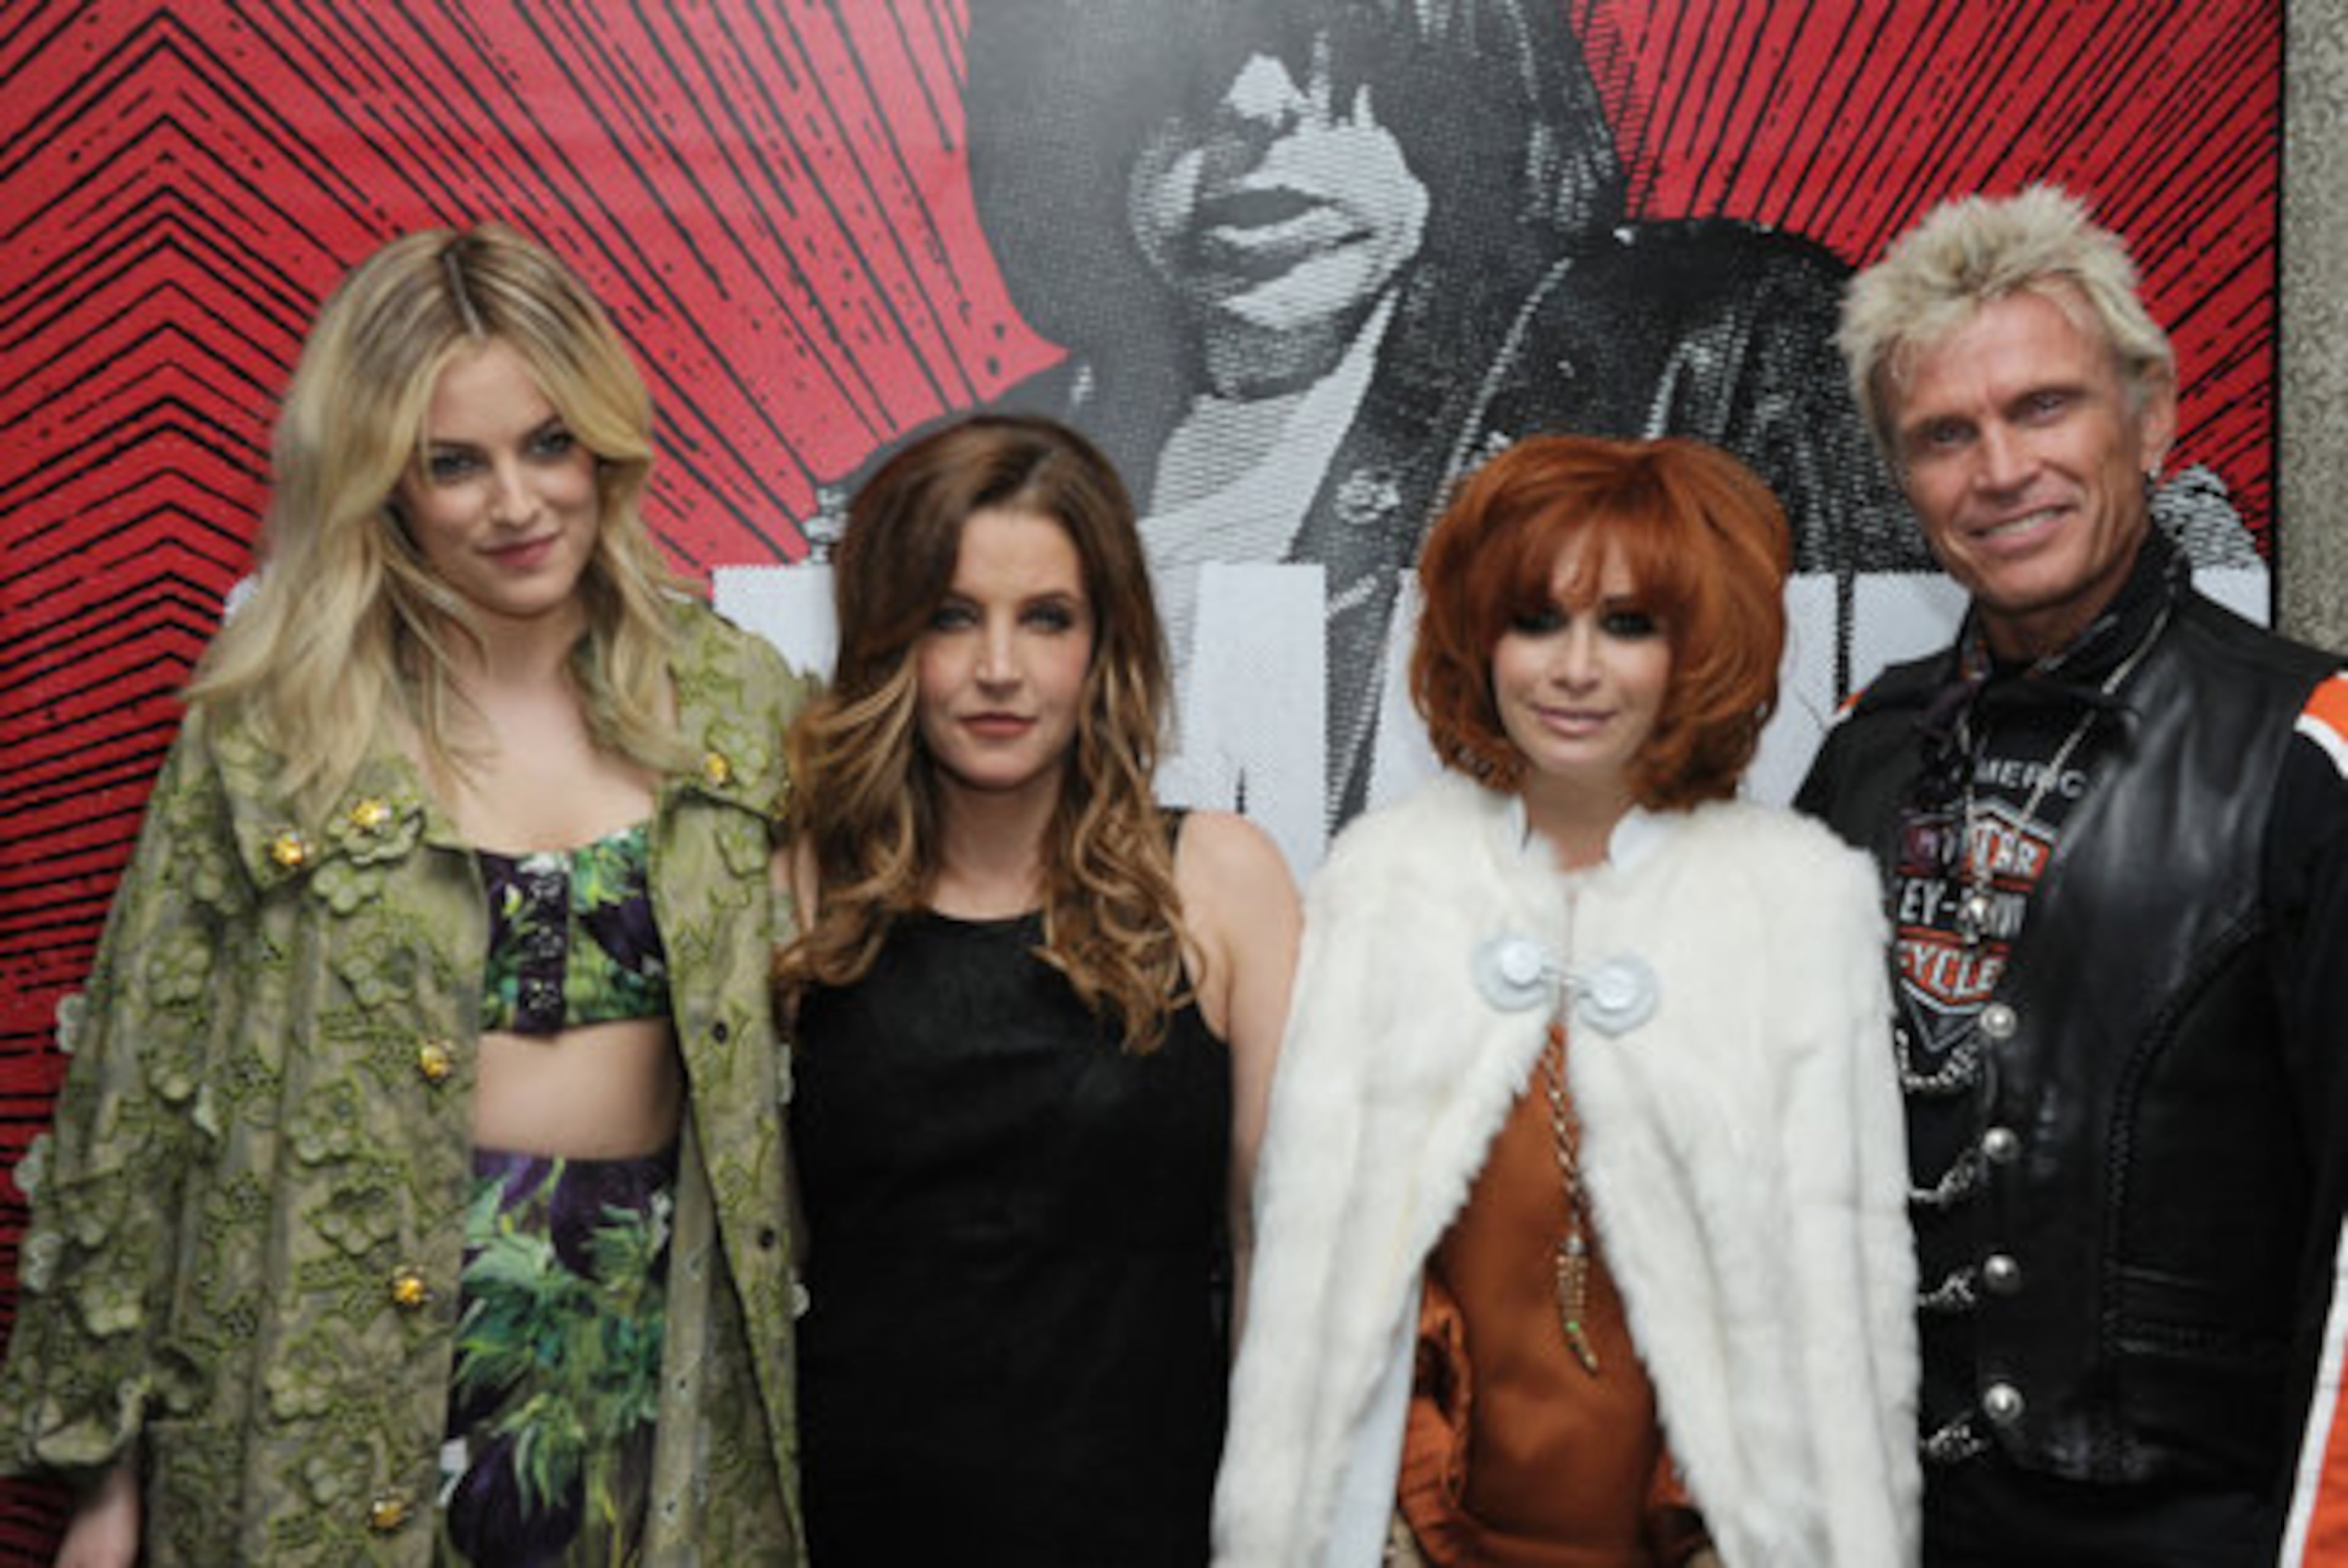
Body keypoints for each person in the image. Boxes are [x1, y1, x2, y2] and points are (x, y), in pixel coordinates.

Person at [0, 224, 811, 1566]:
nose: (517, 502)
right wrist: (101, 1483)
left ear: (605, 443)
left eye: (548, 443)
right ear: (384, 482)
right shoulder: (276, 729)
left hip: (643, 1382)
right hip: (324, 1387)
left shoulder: (738, 701)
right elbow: (135, 1102)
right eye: (456, 462)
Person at [912, 0, 1931, 824]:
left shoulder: (1720, 347)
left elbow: (1902, 791)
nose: (1258, 108)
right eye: (1178, 81)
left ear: (1463, 83)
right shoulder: (964, 482)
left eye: (1332, 49)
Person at [1216, 433, 1919, 1567]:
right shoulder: (1387, 885)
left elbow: (1835, 1312)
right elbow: (1320, 1291)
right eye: (1537, 620)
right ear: (1478, 639)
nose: (1575, 668)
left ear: (1698, 647)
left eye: (1629, 624)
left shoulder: (1797, 903)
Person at [1796, 185, 2348, 1567]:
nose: (1999, 469)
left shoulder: (2311, 746)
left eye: (2044, 406)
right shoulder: (1861, 752)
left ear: (2152, 417)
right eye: (1944, 434)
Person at [775, 413, 1300, 1564]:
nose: (998, 669)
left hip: (1155, 1529)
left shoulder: (1218, 883)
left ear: (1105, 640)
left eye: (1045, 619)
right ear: (883, 638)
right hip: (854, 1526)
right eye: (951, 617)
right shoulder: (801, 891)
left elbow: (1278, 1258)